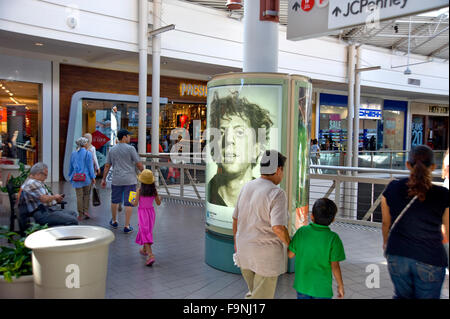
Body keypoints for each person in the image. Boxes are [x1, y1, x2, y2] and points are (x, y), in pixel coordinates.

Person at [381, 145, 449, 299]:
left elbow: (386, 223)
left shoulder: (392, 188)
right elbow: (448, 231)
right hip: (431, 257)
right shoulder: (443, 195)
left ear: (407, 164)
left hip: (397, 254)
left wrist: (386, 242)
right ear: (433, 167)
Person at [232, 150, 289, 299]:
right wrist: (291, 245)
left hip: (244, 252)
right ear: (278, 170)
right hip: (265, 257)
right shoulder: (276, 193)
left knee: (254, 293)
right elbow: (278, 228)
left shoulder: (247, 186)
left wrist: (237, 244)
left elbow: (235, 219)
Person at [208, 92, 273, 207]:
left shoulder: (267, 198)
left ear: (256, 147)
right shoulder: (209, 192)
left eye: (239, 132)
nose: (228, 140)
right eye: (222, 132)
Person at [288, 198, 346, 299]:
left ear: (312, 216)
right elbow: (335, 266)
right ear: (333, 219)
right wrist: (340, 285)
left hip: (303, 286)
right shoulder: (333, 239)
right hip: (322, 289)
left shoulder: (302, 232)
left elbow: (290, 254)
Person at [101, 129, 144, 233]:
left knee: (114, 200)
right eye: (129, 136)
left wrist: (103, 179)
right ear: (124, 137)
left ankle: (114, 221)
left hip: (116, 180)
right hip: (131, 180)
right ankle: (127, 226)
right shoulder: (131, 149)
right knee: (130, 202)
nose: (129, 138)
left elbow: (107, 165)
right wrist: (145, 173)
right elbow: (138, 164)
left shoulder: (112, 149)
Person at [20, 162, 79, 226]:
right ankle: (64, 234)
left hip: (47, 209)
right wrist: (55, 197)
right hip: (43, 213)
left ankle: (64, 232)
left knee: (73, 214)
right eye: (45, 175)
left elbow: (42, 198)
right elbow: (43, 198)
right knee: (73, 220)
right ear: (38, 174)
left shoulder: (35, 181)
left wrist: (56, 200)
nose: (46, 177)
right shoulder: (32, 183)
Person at [131, 169, 161, 266]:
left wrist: (131, 201)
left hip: (142, 213)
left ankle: (150, 255)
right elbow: (158, 203)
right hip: (151, 213)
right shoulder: (154, 191)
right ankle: (144, 249)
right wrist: (159, 198)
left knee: (144, 232)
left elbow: (135, 204)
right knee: (147, 231)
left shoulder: (139, 191)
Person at [69, 137, 96, 220]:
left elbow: (71, 166)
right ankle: (86, 211)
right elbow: (90, 167)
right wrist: (93, 177)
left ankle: (80, 214)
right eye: (87, 143)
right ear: (84, 144)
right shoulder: (88, 153)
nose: (88, 144)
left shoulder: (73, 153)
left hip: (76, 178)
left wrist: (70, 175)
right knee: (86, 195)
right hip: (86, 178)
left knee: (79, 196)